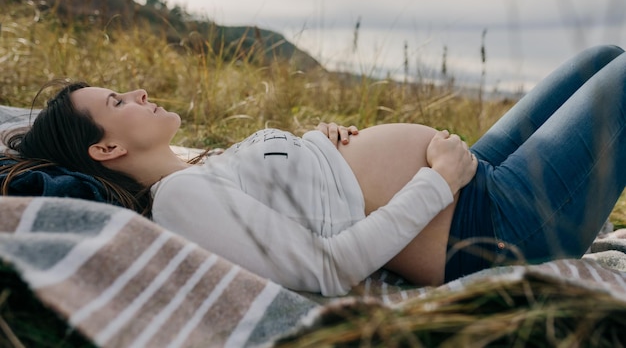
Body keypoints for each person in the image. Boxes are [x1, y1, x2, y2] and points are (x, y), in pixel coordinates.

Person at [1, 45, 625, 297]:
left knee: (602, 56)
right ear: (106, 150)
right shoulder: (177, 200)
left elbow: (305, 201)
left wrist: (318, 146)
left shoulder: (197, 167)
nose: (137, 93)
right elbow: (326, 270)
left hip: (472, 177)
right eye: (117, 104)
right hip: (493, 224)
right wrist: (439, 179)